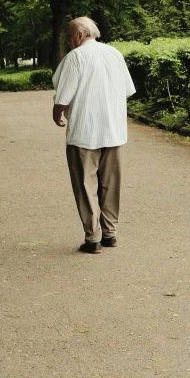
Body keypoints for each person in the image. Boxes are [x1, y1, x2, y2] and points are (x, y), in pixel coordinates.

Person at [52, 16, 136, 254]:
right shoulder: (115, 54)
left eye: (69, 37)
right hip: (114, 130)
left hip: (84, 132)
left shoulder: (75, 57)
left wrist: (57, 112)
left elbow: (63, 96)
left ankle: (93, 239)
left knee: (85, 185)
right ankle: (110, 234)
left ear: (79, 36)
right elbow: (128, 92)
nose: (68, 43)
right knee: (111, 184)